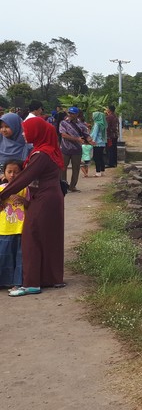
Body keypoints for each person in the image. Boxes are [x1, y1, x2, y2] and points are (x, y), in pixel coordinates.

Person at [1, 117, 65, 296]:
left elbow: (24, 178)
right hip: (50, 197)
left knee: (31, 236)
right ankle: (52, 278)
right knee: (48, 237)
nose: (23, 133)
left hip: (44, 199)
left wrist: (2, 195)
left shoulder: (41, 155)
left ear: (37, 132)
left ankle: (31, 283)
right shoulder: (46, 150)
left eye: (26, 130)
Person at [0, 160, 28, 290]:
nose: (12, 175)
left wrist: (23, 201)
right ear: (4, 173)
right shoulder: (1, 189)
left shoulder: (25, 189)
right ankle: (4, 282)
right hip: (4, 229)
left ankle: (17, 283)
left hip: (20, 229)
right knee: (4, 256)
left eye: (16, 172)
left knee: (19, 258)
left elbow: (31, 204)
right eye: (9, 172)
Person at [59, 106, 90, 192]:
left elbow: (85, 134)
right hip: (65, 148)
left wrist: (90, 140)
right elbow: (63, 135)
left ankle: (72, 186)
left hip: (77, 149)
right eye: (70, 113)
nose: (71, 115)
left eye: (73, 113)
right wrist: (77, 139)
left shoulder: (81, 124)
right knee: (63, 168)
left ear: (77, 114)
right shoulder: (63, 123)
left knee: (76, 168)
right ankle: (63, 186)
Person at [90, 110, 107, 177]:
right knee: (101, 157)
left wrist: (92, 140)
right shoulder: (103, 124)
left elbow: (95, 133)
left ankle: (98, 171)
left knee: (96, 157)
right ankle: (102, 171)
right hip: (102, 142)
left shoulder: (97, 124)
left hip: (97, 143)